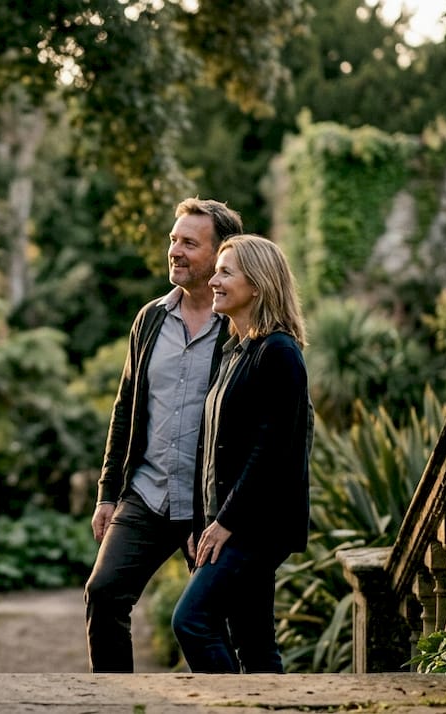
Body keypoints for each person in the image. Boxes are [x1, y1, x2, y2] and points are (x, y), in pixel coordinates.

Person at [84, 198, 244, 672]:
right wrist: (108, 492)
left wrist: (225, 511)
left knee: (214, 623)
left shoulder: (239, 328)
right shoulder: (150, 318)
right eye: (173, 240)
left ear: (219, 256)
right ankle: (115, 705)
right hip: (147, 494)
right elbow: (125, 408)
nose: (175, 251)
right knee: (105, 594)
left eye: (189, 243)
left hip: (209, 504)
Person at [172, 233, 313, 674]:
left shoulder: (279, 353)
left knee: (192, 621)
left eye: (225, 272)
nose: (213, 280)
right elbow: (211, 448)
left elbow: (271, 451)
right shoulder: (236, 351)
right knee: (254, 640)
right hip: (227, 522)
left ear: (258, 284)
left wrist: (225, 522)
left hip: (255, 527)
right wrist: (202, 522)